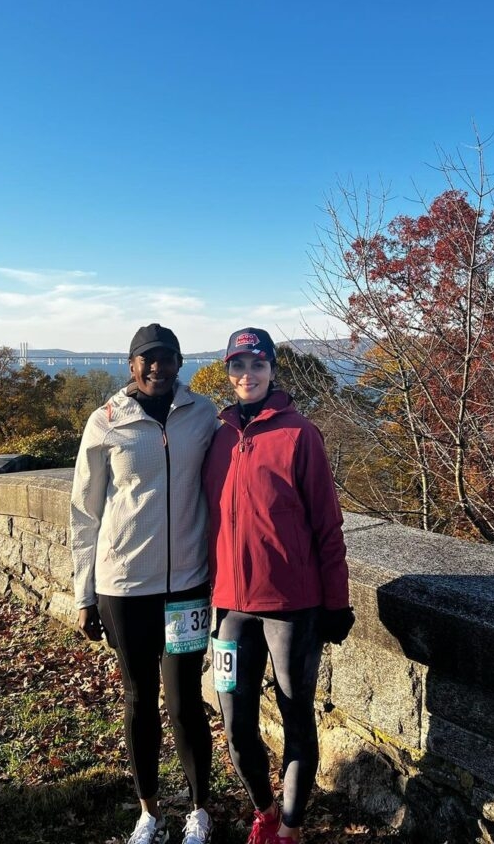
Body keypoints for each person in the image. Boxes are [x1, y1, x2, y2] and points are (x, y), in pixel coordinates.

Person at [202, 328, 355, 844]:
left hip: (292, 605)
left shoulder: (300, 434)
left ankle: (290, 828)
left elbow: (327, 526)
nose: (247, 375)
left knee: (295, 716)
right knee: (236, 722)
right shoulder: (217, 436)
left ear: (273, 370)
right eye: (238, 365)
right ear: (228, 371)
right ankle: (264, 811)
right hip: (229, 605)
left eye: (258, 364)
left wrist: (337, 602)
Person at [71, 324, 218, 844]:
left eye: (168, 358)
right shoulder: (106, 421)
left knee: (184, 703)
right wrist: (83, 592)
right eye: (147, 359)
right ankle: (149, 813)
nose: (158, 367)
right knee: (139, 699)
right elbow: (84, 512)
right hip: (125, 585)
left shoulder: (204, 415)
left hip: (187, 586)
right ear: (130, 364)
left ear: (181, 363)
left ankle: (200, 811)